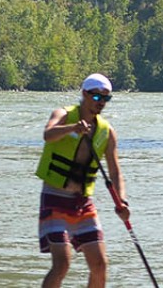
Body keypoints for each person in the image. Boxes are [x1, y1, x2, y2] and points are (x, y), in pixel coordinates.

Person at [37, 73, 129, 288]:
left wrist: (122, 201)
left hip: (82, 203)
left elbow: (115, 172)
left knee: (100, 264)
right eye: (97, 98)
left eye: (106, 99)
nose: (101, 104)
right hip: (55, 198)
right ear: (85, 95)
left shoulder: (107, 132)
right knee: (62, 263)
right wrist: (73, 128)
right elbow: (48, 134)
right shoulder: (63, 114)